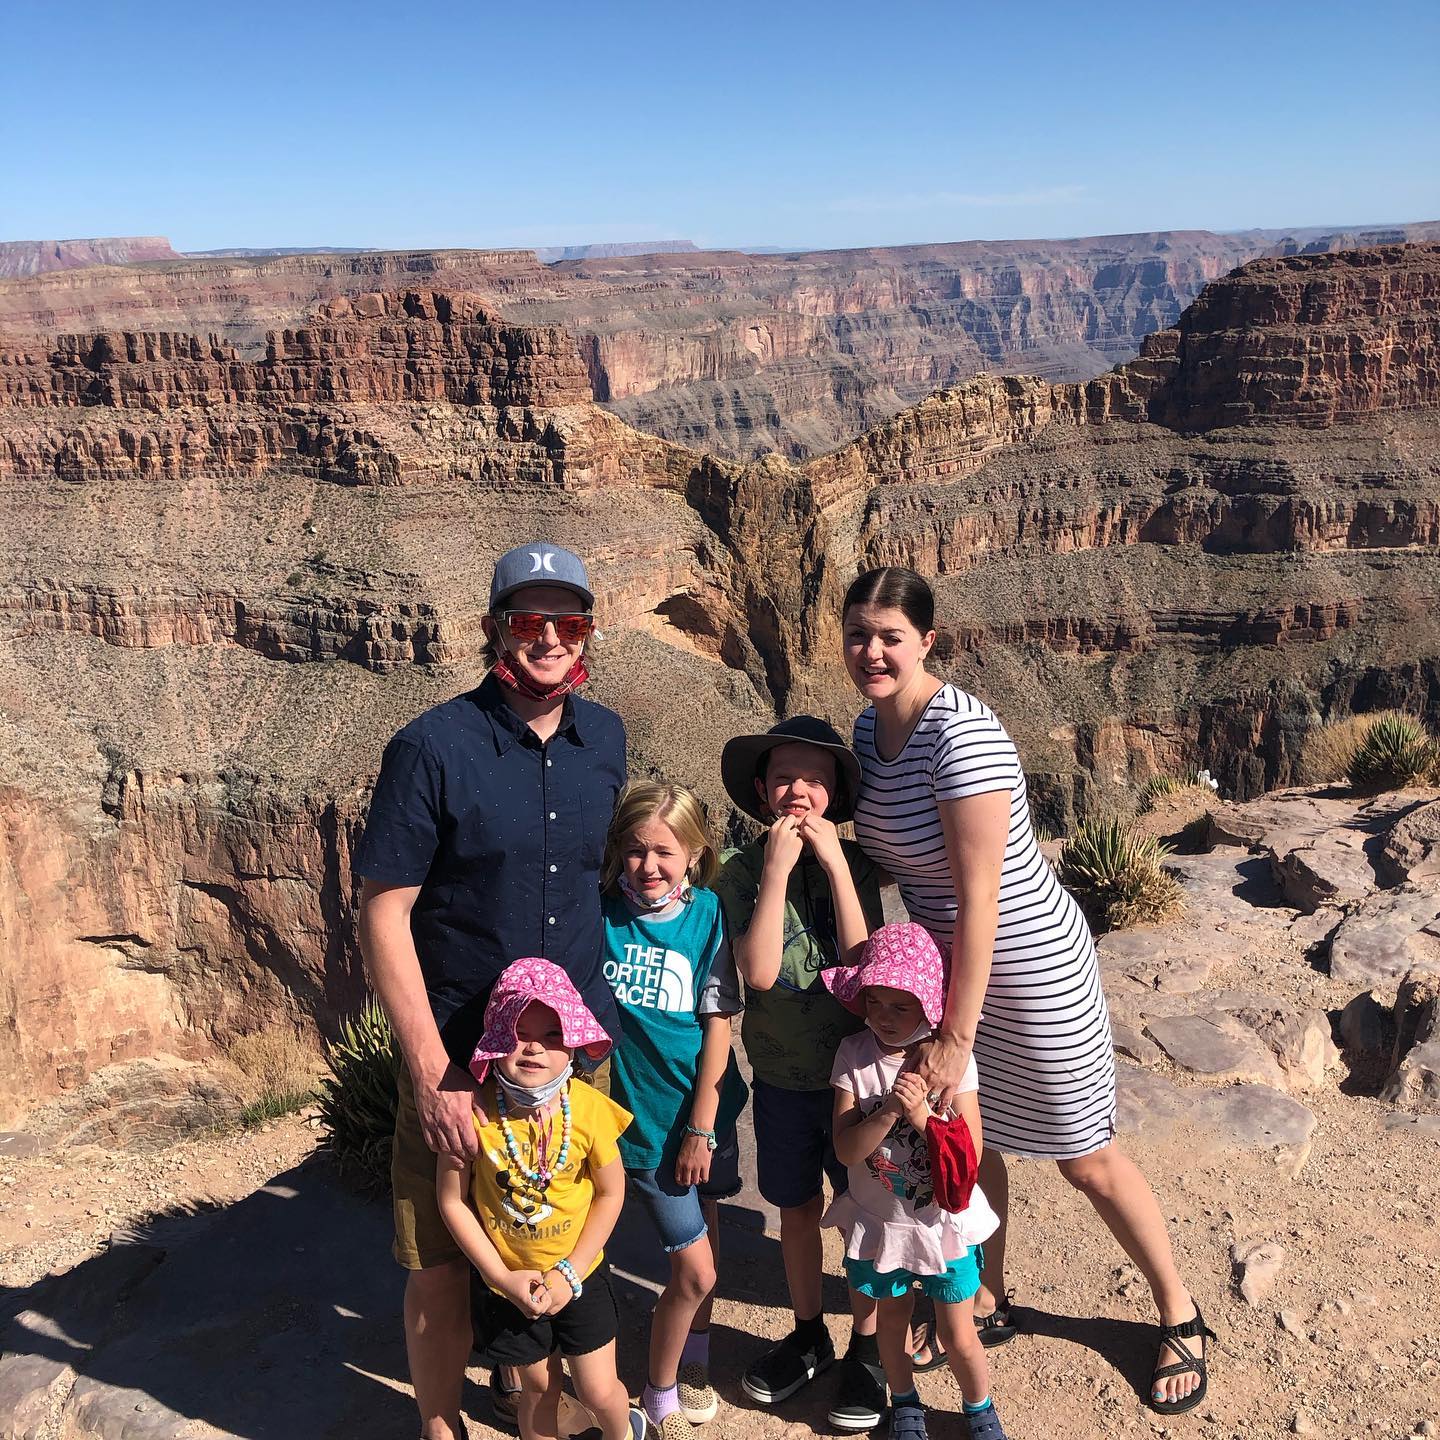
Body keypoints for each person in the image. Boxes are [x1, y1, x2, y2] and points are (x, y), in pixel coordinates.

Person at [840, 566, 1213, 1415]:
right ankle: (985, 1295)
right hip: (946, 973)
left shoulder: (961, 735)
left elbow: (983, 898)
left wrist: (955, 1037)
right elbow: (898, 864)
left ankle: (1179, 1311)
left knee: (1086, 1156)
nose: (872, 652)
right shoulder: (868, 731)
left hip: (1029, 968)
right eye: (859, 635)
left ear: (927, 640)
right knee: (978, 1144)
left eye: (891, 636)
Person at [355, 542, 626, 1440]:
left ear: (588, 631)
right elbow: (384, 912)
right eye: (528, 620)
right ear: (494, 630)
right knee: (439, 1263)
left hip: (572, 1054)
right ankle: (441, 1425)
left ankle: (529, 1393)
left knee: (556, 1236)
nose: (550, 638)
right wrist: (431, 1069)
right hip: (462, 1058)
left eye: (569, 621)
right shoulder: (431, 747)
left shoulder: (606, 740)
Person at [713, 717, 891, 1432]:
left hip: (857, 1079)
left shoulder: (860, 863)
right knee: (794, 1208)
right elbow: (758, 973)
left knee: (864, 1209)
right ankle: (810, 1330)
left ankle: (868, 1345)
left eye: (815, 780)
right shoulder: (738, 869)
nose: (799, 791)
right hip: (783, 1078)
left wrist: (838, 868)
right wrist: (779, 871)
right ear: (762, 790)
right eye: (785, 777)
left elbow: (863, 968)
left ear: (834, 793)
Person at [436, 959, 645, 1440]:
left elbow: (612, 1192)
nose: (533, 1047)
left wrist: (571, 1272)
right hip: (510, 1286)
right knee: (539, 1389)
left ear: (573, 1043)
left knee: (598, 1389)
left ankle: (623, 1431)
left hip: (580, 1274)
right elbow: (452, 1201)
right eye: (517, 1033)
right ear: (495, 1042)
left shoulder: (588, 1110)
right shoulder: (472, 1115)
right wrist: (500, 1277)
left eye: (552, 1034)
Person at [599, 781, 749, 1439]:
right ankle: (657, 1392)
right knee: (695, 1267)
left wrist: (702, 1127)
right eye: (636, 851)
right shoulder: (601, 914)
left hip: (701, 1111)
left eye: (664, 851)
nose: (649, 866)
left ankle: (693, 1357)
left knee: (705, 1225)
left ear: (694, 853)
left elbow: (718, 1023)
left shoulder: (707, 914)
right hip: (641, 1125)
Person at [824, 922, 1008, 1440]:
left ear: (929, 1004)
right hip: (884, 1224)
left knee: (958, 1330)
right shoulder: (853, 1056)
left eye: (901, 1006)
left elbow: (971, 1154)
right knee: (892, 1320)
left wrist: (924, 1117)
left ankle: (979, 1408)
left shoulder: (951, 1064)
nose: (884, 1016)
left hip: (942, 1224)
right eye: (874, 1000)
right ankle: (905, 1403)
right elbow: (845, 1149)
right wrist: (886, 1113)